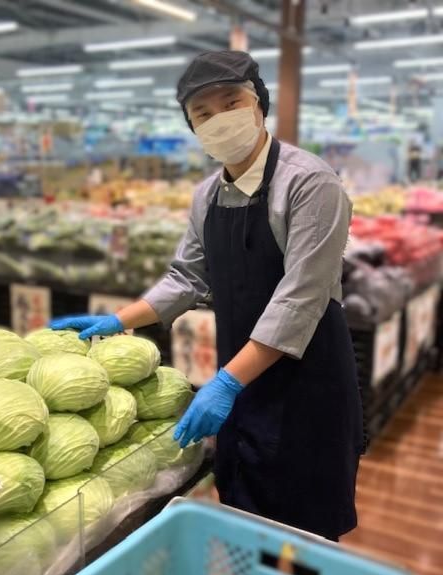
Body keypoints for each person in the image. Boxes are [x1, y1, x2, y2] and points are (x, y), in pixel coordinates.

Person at [50, 51, 363, 541]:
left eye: (231, 102)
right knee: (242, 507)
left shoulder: (310, 183)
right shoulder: (207, 195)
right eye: (202, 112)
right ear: (193, 127)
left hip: (307, 379)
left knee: (303, 530)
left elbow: (301, 298)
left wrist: (227, 384)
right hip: (241, 372)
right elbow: (187, 277)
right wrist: (118, 320)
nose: (219, 118)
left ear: (258, 103)